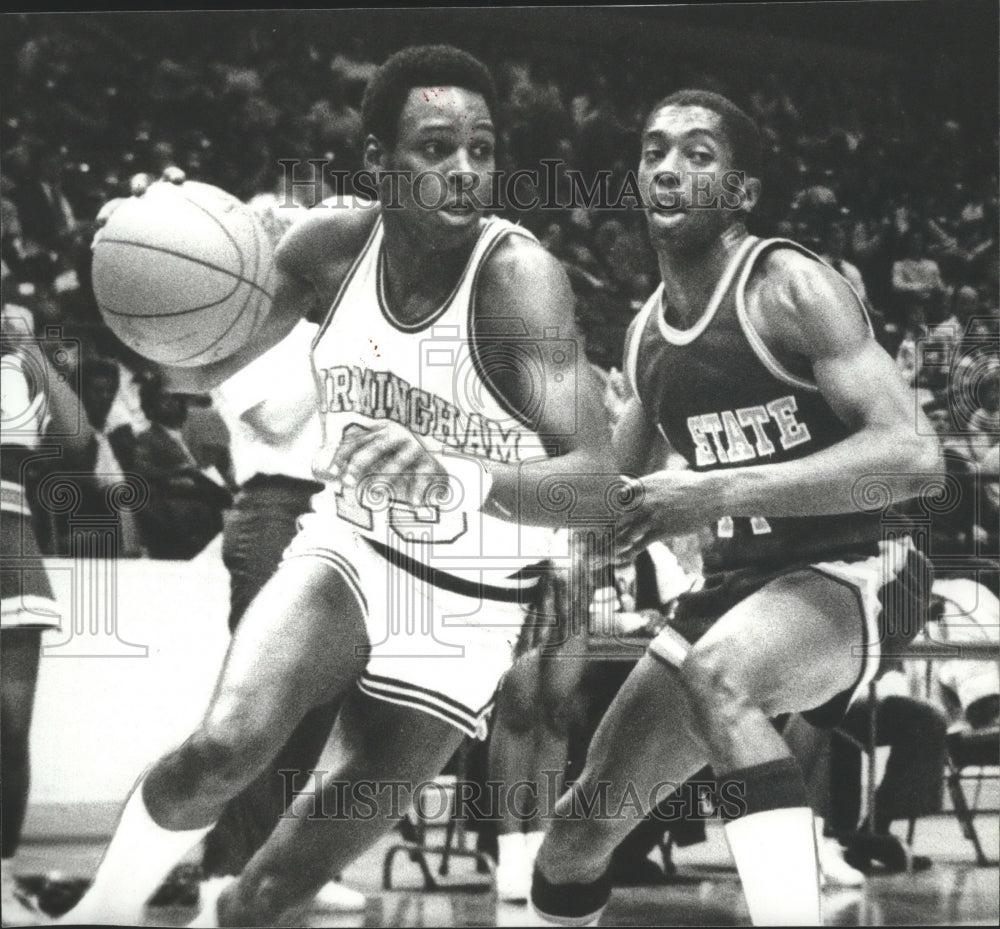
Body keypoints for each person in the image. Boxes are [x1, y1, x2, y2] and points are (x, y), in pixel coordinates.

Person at [61, 44, 611, 927]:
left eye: (482, 147)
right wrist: (145, 252)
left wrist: (461, 475)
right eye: (436, 147)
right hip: (349, 551)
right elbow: (202, 361)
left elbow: (594, 482)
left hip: (469, 605)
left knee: (267, 896)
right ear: (377, 163)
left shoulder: (519, 281)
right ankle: (96, 915)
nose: (465, 168)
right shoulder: (326, 248)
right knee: (221, 750)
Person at [529, 89, 942, 927]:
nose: (668, 168)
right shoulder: (647, 335)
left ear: (742, 192)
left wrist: (716, 491)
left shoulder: (791, 287)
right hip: (736, 589)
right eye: (653, 151)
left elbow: (914, 458)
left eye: (697, 153)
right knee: (577, 831)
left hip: (866, 564)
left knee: (722, 674)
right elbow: (612, 500)